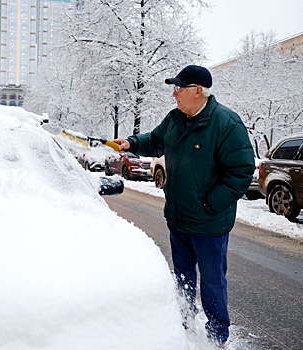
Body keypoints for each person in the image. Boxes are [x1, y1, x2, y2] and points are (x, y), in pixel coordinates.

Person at [113, 65, 255, 346]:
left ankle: (217, 337)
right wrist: (130, 143)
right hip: (179, 219)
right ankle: (184, 326)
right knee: (182, 279)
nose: (175, 94)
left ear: (198, 91)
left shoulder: (226, 123)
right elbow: (154, 141)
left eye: (180, 88)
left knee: (213, 283)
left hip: (209, 224)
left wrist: (210, 203)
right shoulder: (174, 119)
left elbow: (241, 172)